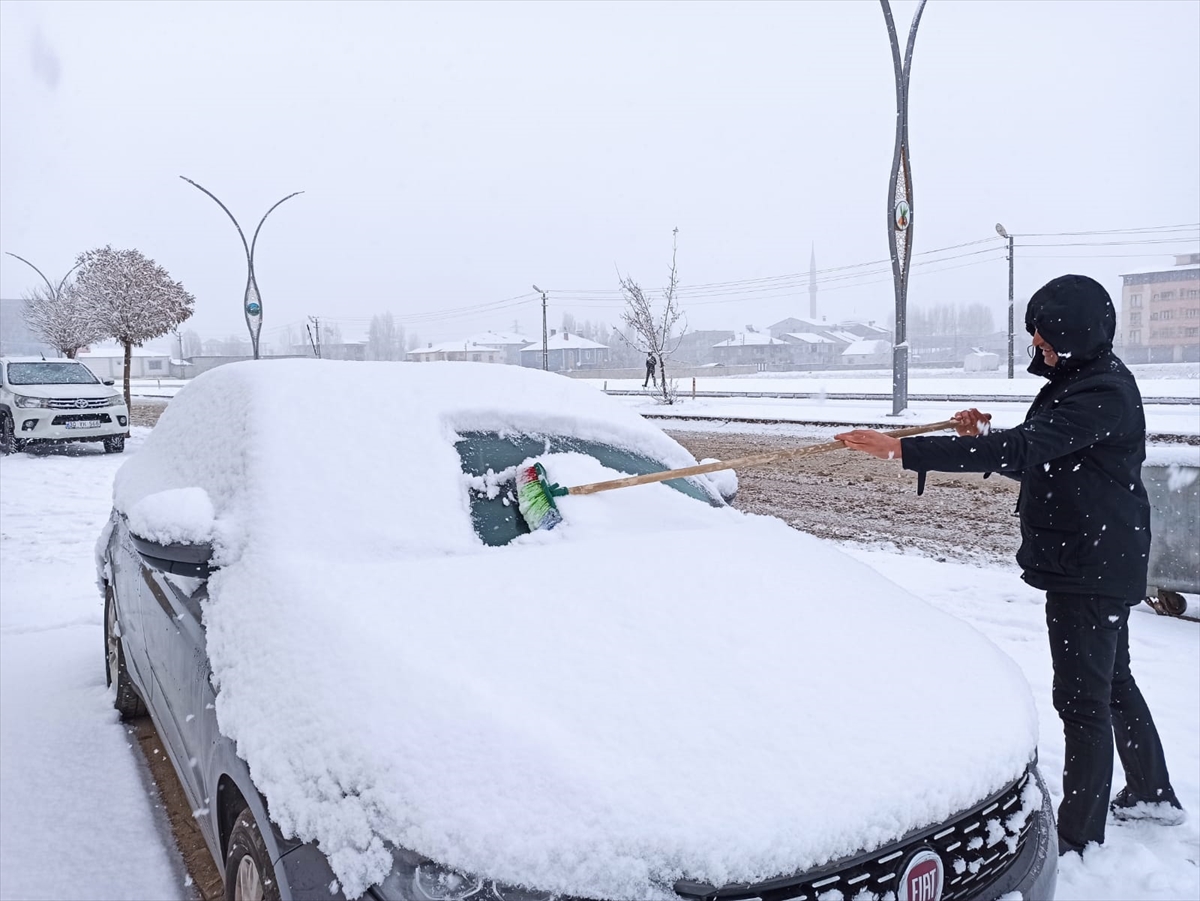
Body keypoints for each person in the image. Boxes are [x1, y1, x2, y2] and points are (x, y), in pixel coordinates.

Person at [835, 274, 1185, 857]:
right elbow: (1043, 458)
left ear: (1075, 334)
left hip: (1090, 568)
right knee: (1112, 682)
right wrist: (986, 436)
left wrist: (902, 449)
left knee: (1082, 700)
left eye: (1044, 337)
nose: (1037, 347)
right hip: (1097, 557)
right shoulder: (1080, 381)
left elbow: (1025, 451)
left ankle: (1078, 839)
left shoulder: (1101, 391)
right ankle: (1150, 792)